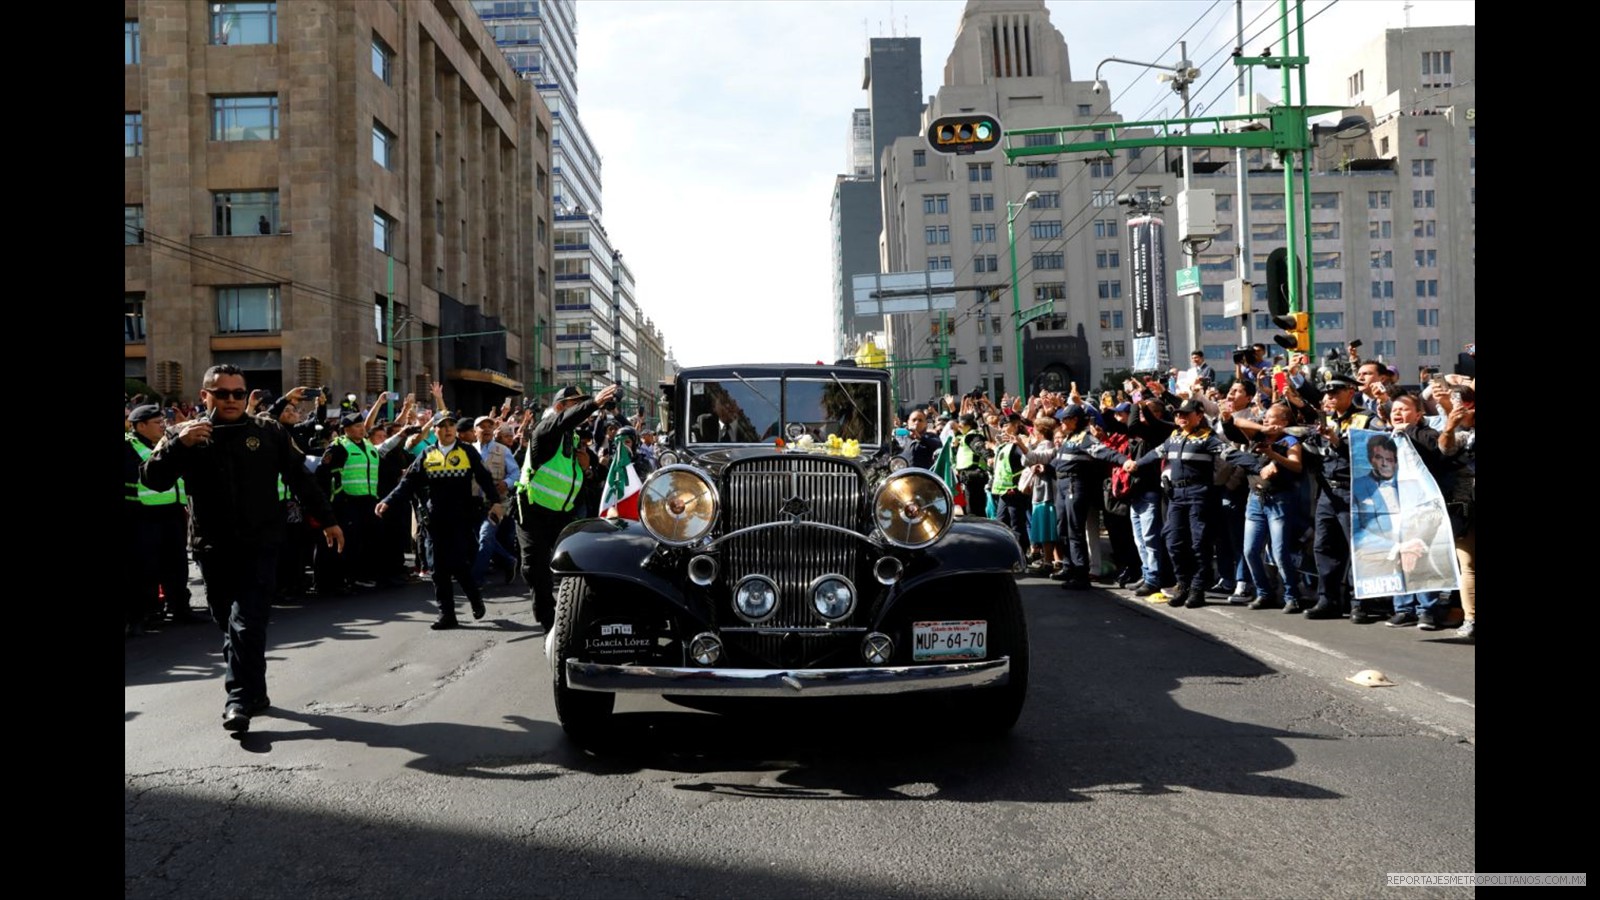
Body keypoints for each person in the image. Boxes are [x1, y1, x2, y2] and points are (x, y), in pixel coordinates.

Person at [141, 365, 344, 734]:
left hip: (262, 544)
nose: (231, 399)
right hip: (212, 547)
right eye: (222, 393)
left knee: (246, 621)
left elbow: (300, 477)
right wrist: (177, 445)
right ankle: (256, 690)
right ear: (205, 396)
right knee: (229, 623)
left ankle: (237, 699)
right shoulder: (183, 435)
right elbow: (152, 480)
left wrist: (327, 519)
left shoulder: (268, 432)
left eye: (238, 393)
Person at [375, 412, 503, 630]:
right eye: (442, 426)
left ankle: (475, 598)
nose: (448, 429)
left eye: (451, 425)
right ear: (434, 431)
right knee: (437, 568)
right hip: (435, 519)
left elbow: (484, 477)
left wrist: (496, 502)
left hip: (460, 518)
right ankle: (447, 615)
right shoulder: (427, 454)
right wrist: (388, 500)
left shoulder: (467, 451)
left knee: (459, 564)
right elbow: (408, 483)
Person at [515, 383, 620, 629]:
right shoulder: (546, 429)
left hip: (562, 514)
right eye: (576, 404)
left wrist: (588, 469)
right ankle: (548, 621)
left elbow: (593, 475)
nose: (583, 411)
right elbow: (563, 420)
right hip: (533, 511)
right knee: (535, 569)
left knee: (575, 562)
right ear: (560, 407)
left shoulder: (573, 438)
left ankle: (585, 612)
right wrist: (593, 403)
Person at [1302, 373, 1378, 622]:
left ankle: (1360, 602)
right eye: (1327, 393)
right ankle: (1328, 600)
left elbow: (1371, 452)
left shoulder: (1366, 419)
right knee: (1324, 547)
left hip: (1354, 490)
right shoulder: (1326, 421)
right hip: (1328, 491)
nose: (1330, 398)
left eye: (1335, 393)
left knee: (1358, 548)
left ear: (1350, 392)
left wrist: (1336, 441)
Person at [125, 404, 199, 633]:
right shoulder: (127, 447)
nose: (162, 425)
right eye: (157, 422)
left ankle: (180, 608)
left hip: (173, 512)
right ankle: (142, 614)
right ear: (140, 425)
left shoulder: (166, 443)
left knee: (176, 563)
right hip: (142, 515)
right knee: (144, 567)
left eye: (162, 421)